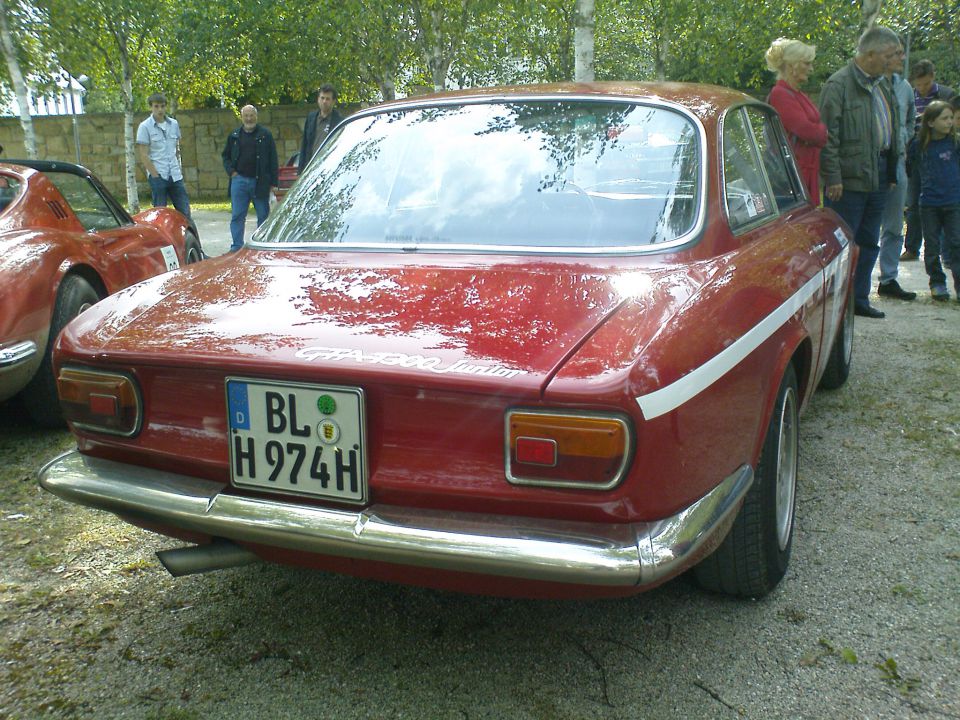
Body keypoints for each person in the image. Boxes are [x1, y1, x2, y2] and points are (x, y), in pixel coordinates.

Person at [819, 26, 902, 319]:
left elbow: (892, 130)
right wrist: (833, 177)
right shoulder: (838, 85)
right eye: (889, 55)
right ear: (870, 54)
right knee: (843, 243)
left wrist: (890, 171)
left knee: (868, 240)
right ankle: (837, 304)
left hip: (878, 175)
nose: (893, 60)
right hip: (848, 179)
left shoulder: (883, 84)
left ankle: (859, 299)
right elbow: (827, 136)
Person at [900, 60, 956, 261]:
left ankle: (945, 251)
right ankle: (912, 247)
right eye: (919, 84)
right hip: (917, 155)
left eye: (926, 83)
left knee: (945, 202)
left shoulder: (947, 95)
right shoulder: (909, 96)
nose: (923, 88)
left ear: (933, 77)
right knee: (913, 202)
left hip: (943, 155)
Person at [876, 42, 917, 301]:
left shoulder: (905, 88)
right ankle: (855, 284)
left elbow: (911, 120)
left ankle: (888, 279)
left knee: (893, 226)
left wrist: (903, 142)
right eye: (897, 53)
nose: (902, 57)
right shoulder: (870, 84)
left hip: (898, 164)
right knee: (865, 227)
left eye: (902, 53)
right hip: (873, 163)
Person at [907, 100, 960, 301]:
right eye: (944, 118)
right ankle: (937, 283)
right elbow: (909, 167)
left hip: (954, 202)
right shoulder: (919, 145)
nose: (949, 122)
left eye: (951, 118)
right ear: (930, 122)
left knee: (956, 243)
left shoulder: (955, 143)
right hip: (929, 203)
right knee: (932, 245)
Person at [764, 38, 827, 202]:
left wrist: (818, 132)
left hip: (803, 173)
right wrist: (821, 131)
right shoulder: (781, 94)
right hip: (793, 177)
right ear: (793, 65)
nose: (810, 69)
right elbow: (810, 132)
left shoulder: (796, 94)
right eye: (806, 63)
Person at [221, 105, 279, 252]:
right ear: (241, 117)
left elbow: (273, 159)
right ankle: (236, 247)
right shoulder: (234, 135)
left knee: (263, 216)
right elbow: (225, 156)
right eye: (246, 116)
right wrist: (232, 172)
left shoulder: (265, 135)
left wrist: (273, 183)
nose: (249, 119)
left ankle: (262, 246)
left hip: (260, 182)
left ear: (256, 116)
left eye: (251, 115)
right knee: (237, 216)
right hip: (239, 181)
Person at [136, 92, 191, 219]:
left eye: (162, 106)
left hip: (175, 175)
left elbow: (177, 149)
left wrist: (179, 169)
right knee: (159, 215)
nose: (159, 110)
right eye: (156, 106)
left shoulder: (174, 124)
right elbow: (143, 154)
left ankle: (188, 238)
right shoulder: (145, 126)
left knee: (185, 212)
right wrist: (155, 175)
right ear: (151, 107)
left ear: (166, 106)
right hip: (158, 174)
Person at [298, 84, 343, 175]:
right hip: (310, 170)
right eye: (322, 98)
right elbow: (304, 146)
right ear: (318, 99)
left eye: (327, 99)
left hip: (330, 170)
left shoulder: (339, 121)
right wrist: (300, 172)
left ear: (333, 101)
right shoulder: (311, 118)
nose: (324, 101)